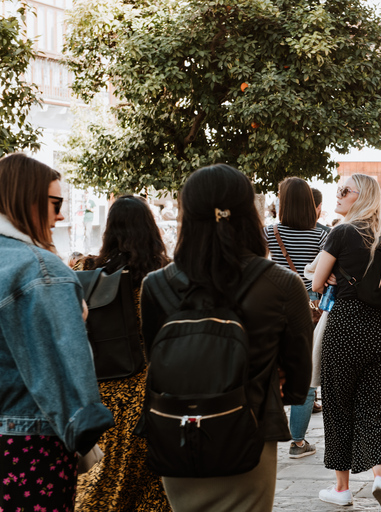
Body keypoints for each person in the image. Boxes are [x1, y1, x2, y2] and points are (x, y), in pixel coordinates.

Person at [140, 164, 313, 512]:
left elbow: (156, 362)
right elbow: (298, 384)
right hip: (248, 434)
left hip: (176, 436)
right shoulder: (282, 285)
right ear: (250, 212)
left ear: (187, 214)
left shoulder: (155, 286)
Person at [0, 153, 114, 511]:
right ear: (26, 199)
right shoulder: (40, 269)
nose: (61, 214)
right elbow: (68, 369)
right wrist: (84, 424)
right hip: (28, 443)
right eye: (55, 203)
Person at [74, 196, 171, 512]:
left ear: (109, 229)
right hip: (148, 394)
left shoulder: (86, 270)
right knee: (150, 486)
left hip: (99, 393)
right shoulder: (164, 273)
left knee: (99, 484)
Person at [311, 174, 381, 511]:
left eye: (344, 191)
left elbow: (318, 282)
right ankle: (379, 478)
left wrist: (318, 273)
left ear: (359, 197)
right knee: (370, 409)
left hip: (347, 325)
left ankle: (342, 487)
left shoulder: (342, 232)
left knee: (337, 406)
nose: (338, 195)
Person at [264, 177, 328, 459]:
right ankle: (298, 442)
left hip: (273, 308)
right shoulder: (323, 234)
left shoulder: (269, 232)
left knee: (270, 369)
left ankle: (266, 429)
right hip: (310, 310)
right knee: (306, 374)